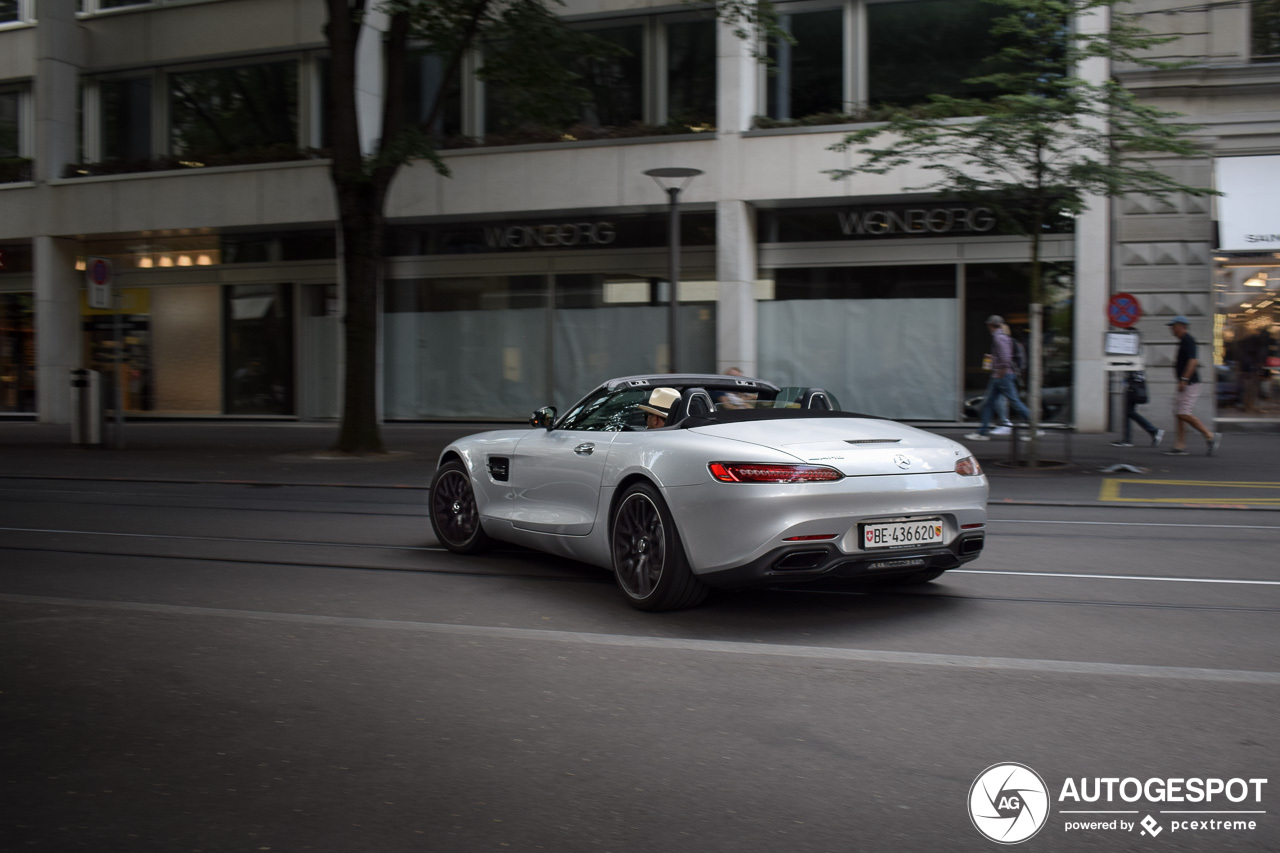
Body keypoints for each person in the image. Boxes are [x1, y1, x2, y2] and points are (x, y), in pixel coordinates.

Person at [965, 315, 1032, 442]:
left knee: (1014, 402)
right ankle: (982, 432)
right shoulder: (1003, 337)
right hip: (1000, 375)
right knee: (989, 404)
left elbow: (1006, 358)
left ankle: (1034, 428)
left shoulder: (998, 338)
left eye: (988, 325)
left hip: (1002, 376)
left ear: (990, 325)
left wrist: (1001, 372)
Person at [1163, 316, 1221, 456]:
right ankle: (1180, 445)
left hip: (1190, 383)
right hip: (1185, 383)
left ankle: (1210, 436)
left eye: (1173, 326)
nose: (1171, 329)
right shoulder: (1183, 341)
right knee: (1179, 413)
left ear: (1181, 326)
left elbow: (1193, 361)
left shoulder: (1188, 340)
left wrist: (1184, 379)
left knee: (1184, 413)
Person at [1112, 370, 1163, 447]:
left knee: (1129, 412)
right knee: (1128, 412)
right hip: (1134, 384)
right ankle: (1127, 439)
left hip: (1132, 385)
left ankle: (1153, 430)